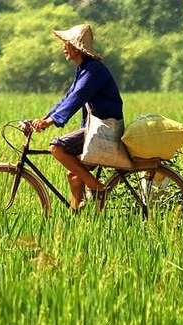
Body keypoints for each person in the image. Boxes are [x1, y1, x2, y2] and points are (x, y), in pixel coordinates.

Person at [31, 24, 124, 211]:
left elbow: (77, 98)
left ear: (76, 47)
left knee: (57, 147)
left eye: (67, 44)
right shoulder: (84, 69)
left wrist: (50, 122)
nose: (64, 47)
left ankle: (97, 187)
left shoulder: (93, 71)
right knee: (74, 175)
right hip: (96, 127)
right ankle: (77, 218)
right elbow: (67, 98)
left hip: (105, 128)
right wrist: (44, 118)